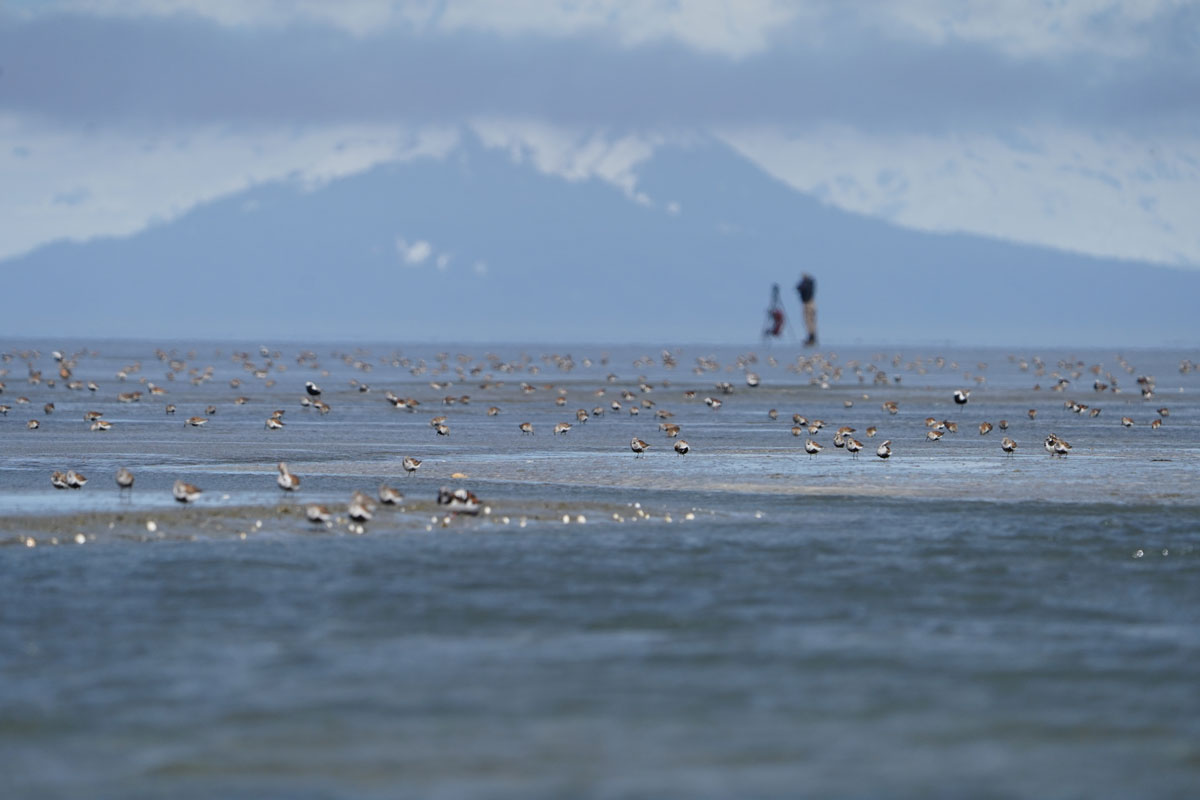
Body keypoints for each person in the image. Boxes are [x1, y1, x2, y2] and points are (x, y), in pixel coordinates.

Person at [796, 273, 817, 346]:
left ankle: (812, 338)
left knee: (809, 321)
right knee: (809, 321)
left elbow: (799, 287)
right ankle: (811, 338)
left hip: (808, 304)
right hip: (809, 303)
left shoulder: (807, 284)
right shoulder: (810, 283)